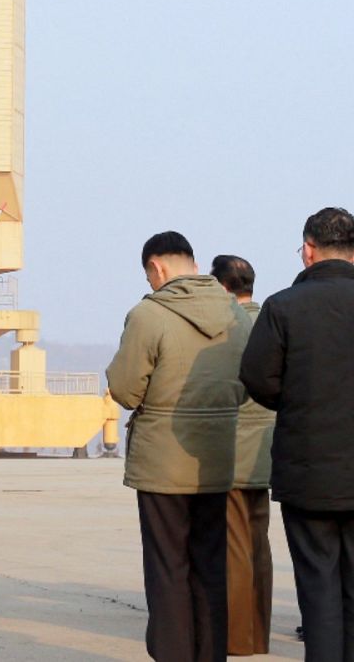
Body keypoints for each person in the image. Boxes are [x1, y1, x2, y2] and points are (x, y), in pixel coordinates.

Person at [241, 207, 354, 662]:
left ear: (307, 250)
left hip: (307, 469)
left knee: (318, 590)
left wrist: (299, 401)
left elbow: (257, 377)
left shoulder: (282, 307)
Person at [108, 231, 251, 662]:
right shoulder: (236, 314)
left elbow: (125, 389)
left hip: (162, 461)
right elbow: (249, 382)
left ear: (157, 267)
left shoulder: (148, 315)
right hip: (216, 457)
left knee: (168, 568)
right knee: (210, 565)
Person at [211, 254, 275, 656]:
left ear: (222, 288)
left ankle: (237, 638)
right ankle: (258, 634)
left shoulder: (226, 329)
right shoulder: (272, 323)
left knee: (234, 548)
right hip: (267, 452)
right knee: (258, 544)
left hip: (233, 451)